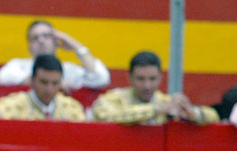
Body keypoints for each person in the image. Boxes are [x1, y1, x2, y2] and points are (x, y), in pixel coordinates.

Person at [90, 51, 219, 125]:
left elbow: (214, 116)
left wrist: (193, 114)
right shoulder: (113, 98)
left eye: (152, 79)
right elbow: (103, 116)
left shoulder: (165, 101)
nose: (147, 86)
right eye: (140, 79)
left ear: (160, 78)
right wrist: (157, 110)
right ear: (129, 78)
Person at [0, 19, 110, 90]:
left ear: (56, 41)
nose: (41, 40)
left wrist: (76, 46)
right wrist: (55, 83)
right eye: (35, 38)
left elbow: (101, 79)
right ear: (29, 47)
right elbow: (3, 78)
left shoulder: (69, 69)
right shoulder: (18, 65)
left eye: (46, 36)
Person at [0, 54, 86, 121]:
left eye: (55, 83)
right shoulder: (11, 106)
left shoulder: (72, 109)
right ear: (32, 80)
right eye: (44, 82)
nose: (49, 89)